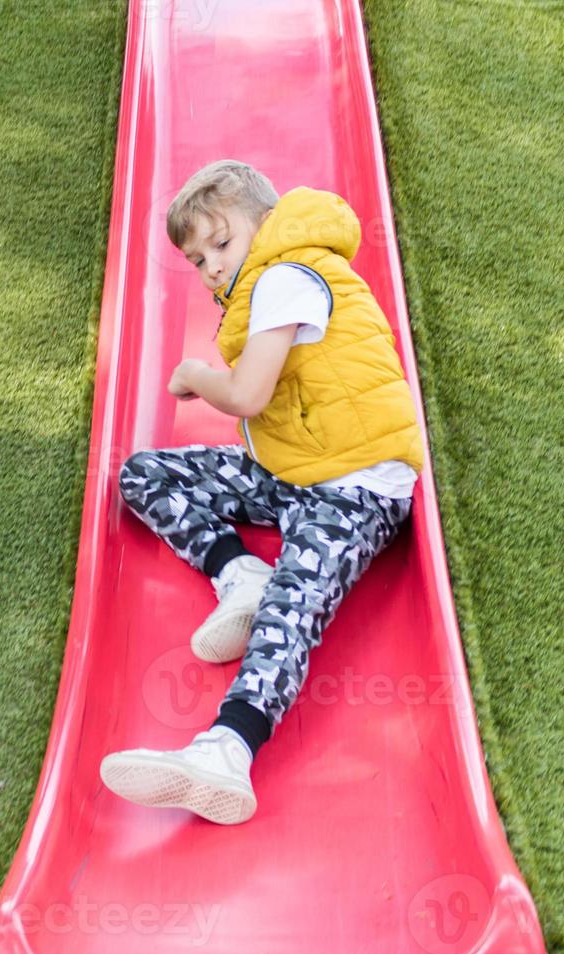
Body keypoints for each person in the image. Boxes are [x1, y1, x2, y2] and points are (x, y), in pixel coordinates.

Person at [99, 159, 424, 825]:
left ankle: (228, 748)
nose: (212, 266)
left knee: (292, 604)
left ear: (267, 224)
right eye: (196, 259)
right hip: (297, 472)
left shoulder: (287, 276)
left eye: (222, 243)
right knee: (144, 475)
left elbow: (248, 394)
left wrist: (195, 374)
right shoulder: (262, 288)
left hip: (354, 486)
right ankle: (240, 574)